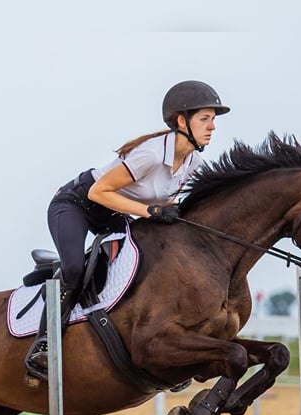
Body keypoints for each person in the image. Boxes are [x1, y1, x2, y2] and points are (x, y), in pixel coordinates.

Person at [25, 80, 230, 379]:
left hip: (116, 212)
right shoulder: (149, 153)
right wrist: (150, 212)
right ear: (182, 121)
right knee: (74, 269)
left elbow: (167, 203)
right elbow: (98, 192)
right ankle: (44, 343)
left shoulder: (192, 162)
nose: (212, 127)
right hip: (77, 204)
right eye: (205, 119)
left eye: (213, 120)